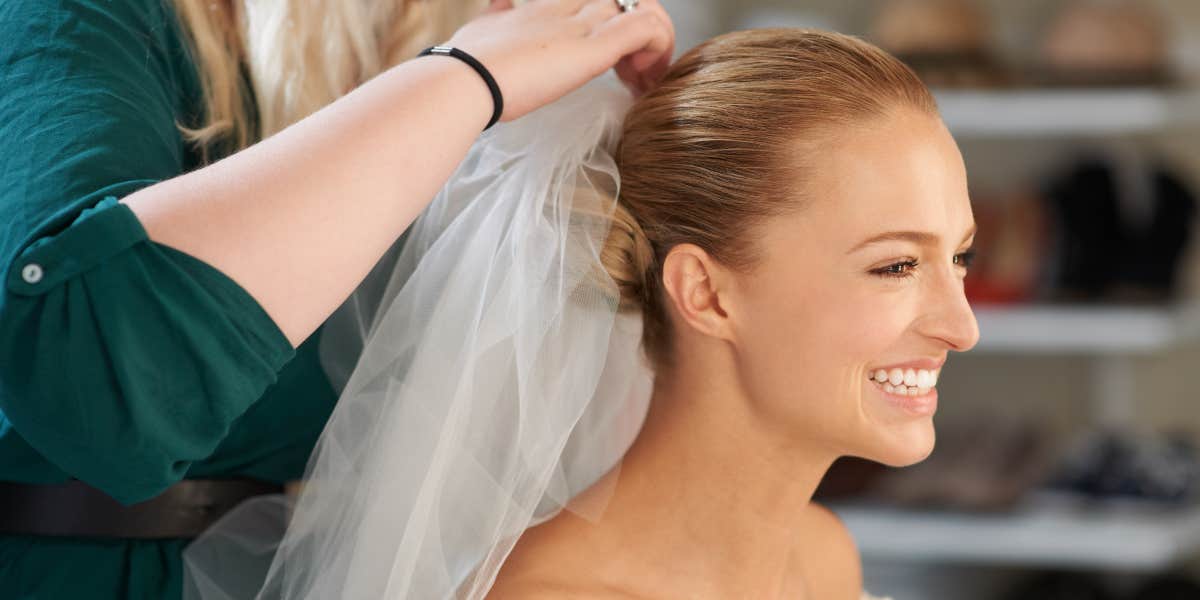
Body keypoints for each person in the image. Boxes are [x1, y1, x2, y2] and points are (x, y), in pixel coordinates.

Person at [184, 27, 979, 600]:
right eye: (897, 266)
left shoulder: (823, 558)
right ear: (705, 292)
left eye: (962, 257)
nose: (962, 324)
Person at [0, 0, 674, 597]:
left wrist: (575, 137)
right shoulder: (74, 15)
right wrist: (462, 79)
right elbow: (83, 364)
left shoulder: (413, 42)